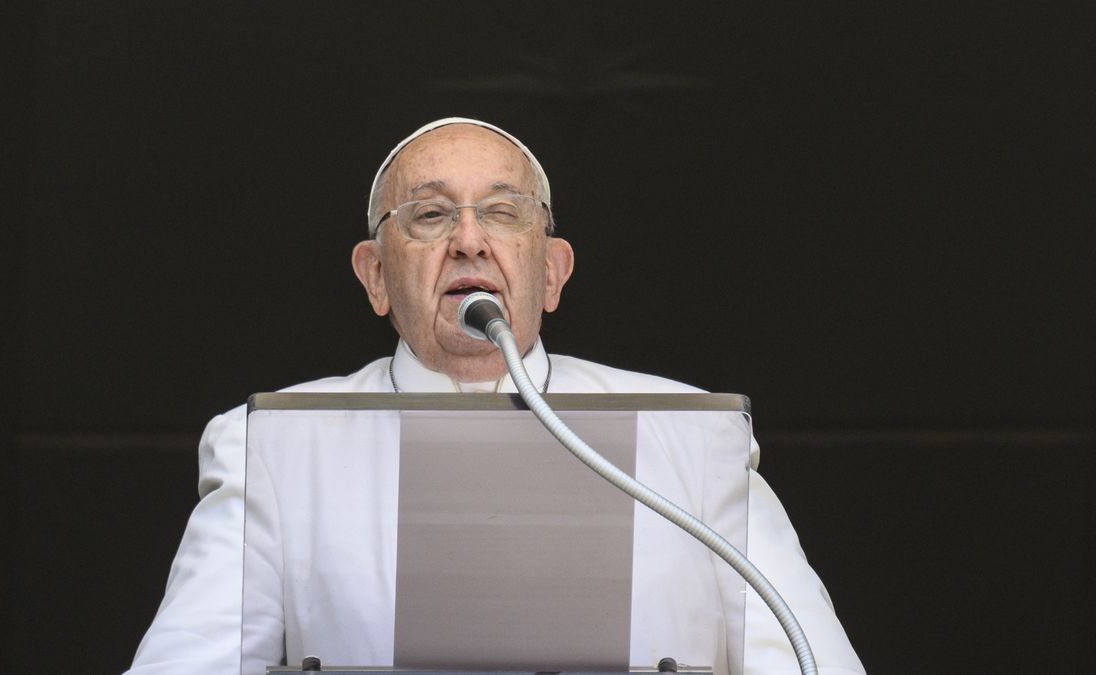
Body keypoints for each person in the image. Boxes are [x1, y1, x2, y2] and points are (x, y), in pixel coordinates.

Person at [126, 118, 865, 674]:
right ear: (375, 275)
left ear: (551, 271)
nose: (470, 240)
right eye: (430, 214)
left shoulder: (691, 439)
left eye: (504, 213)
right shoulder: (277, 450)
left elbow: (811, 659)